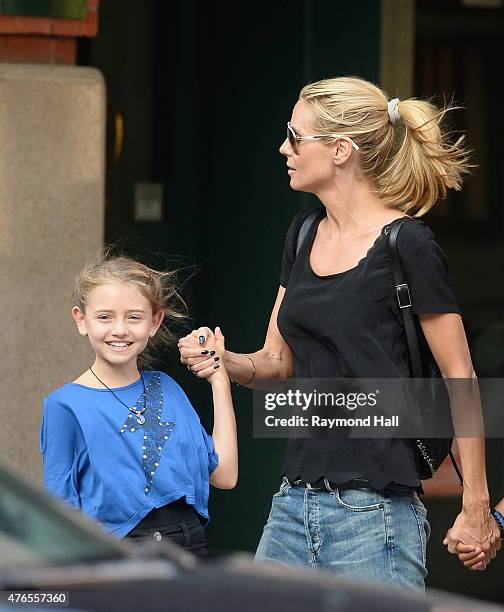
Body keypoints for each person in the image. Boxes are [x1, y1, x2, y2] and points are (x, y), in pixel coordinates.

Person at [179, 76, 500, 587]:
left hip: (376, 517)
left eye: (295, 135)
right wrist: (222, 360)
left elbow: (459, 375)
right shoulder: (302, 234)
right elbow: (276, 363)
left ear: (341, 150)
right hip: (292, 503)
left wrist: (477, 505)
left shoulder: (407, 245)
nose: (283, 147)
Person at [41, 255, 237, 557]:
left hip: (189, 546)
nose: (120, 329)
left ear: (154, 321)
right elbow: (60, 508)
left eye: (134, 317)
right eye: (104, 317)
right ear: (81, 320)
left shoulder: (167, 388)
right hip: (118, 552)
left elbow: (224, 475)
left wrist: (219, 381)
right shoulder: (65, 405)